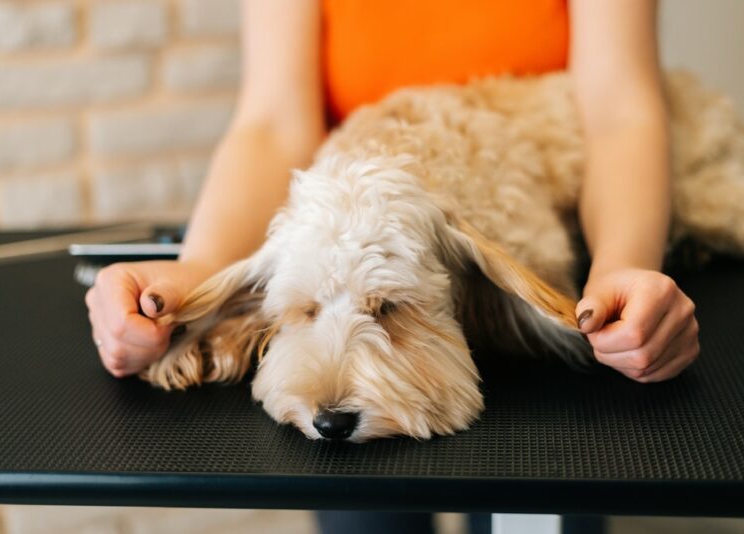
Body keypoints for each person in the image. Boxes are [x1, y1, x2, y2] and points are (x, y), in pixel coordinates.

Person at [85, 1, 699, 531]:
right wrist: (198, 272)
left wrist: (623, 269)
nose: (331, 401)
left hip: (516, 220)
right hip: (345, 207)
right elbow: (271, 124)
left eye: (386, 311)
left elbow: (619, 109)